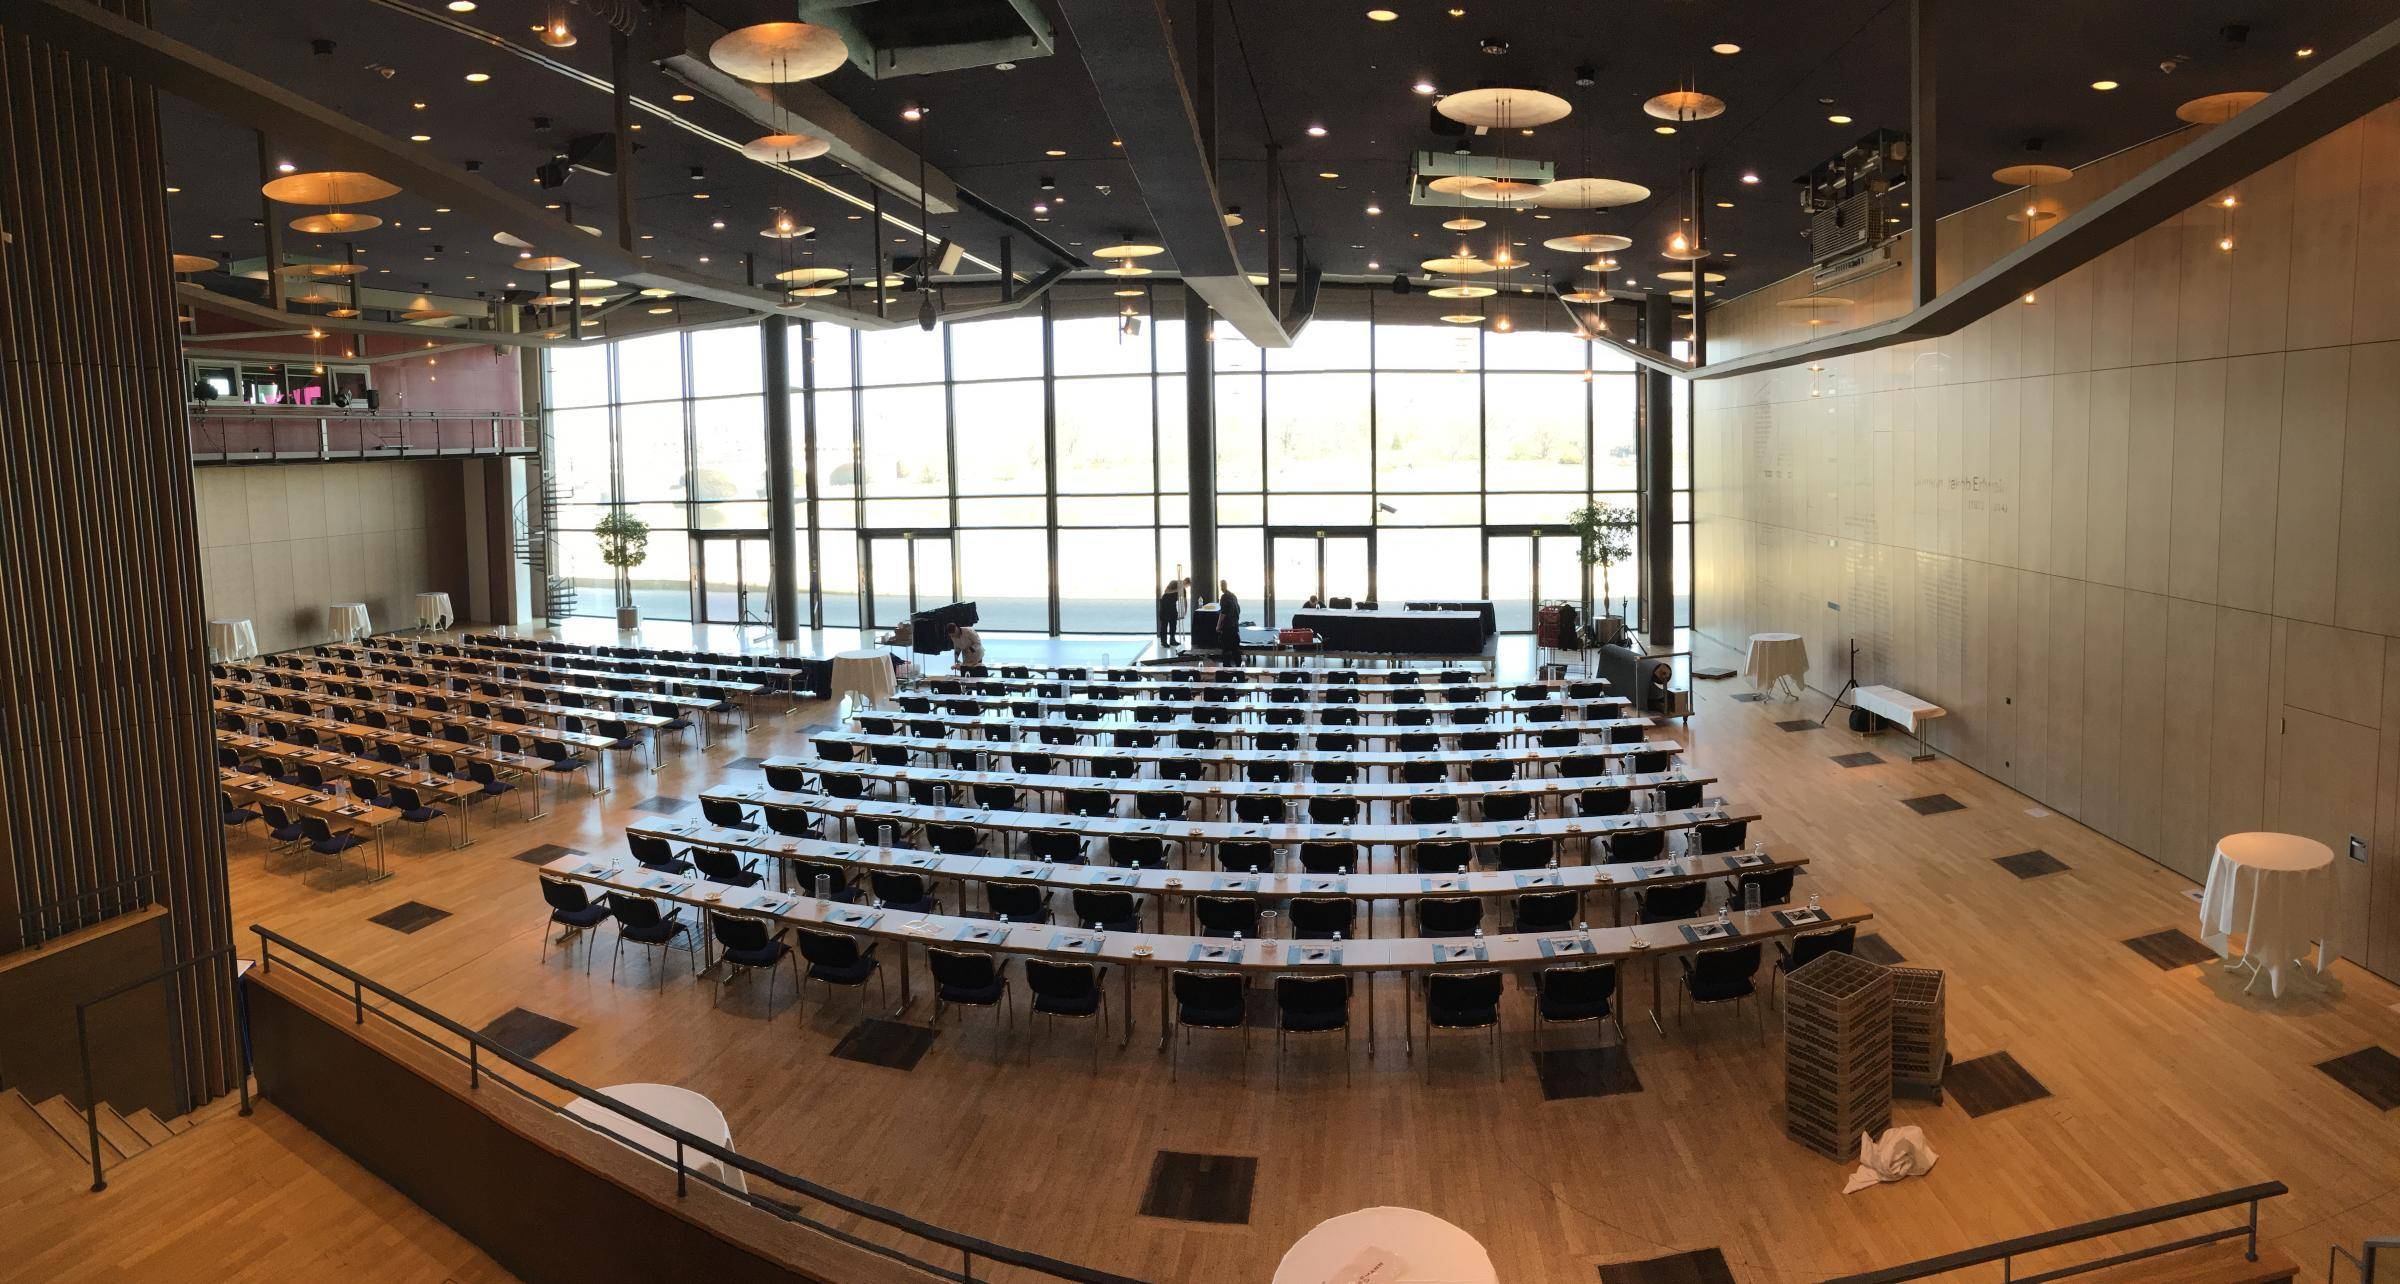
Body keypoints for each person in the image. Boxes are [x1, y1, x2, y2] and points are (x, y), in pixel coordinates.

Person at [1156, 577, 1185, 648]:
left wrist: (1184, 611)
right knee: (1164, 624)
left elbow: (1184, 599)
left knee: (1173, 624)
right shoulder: (1173, 583)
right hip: (1165, 606)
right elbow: (1166, 591)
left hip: (1173, 606)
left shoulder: (1183, 589)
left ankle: (1172, 640)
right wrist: (1178, 589)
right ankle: (1164, 641)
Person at [1216, 581, 1242, 653]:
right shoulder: (1233, 596)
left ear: (1221, 587)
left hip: (1227, 627)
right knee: (1235, 649)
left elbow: (1223, 613)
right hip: (1235, 626)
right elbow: (1238, 610)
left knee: (1226, 650)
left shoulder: (1224, 597)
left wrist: (1218, 625)